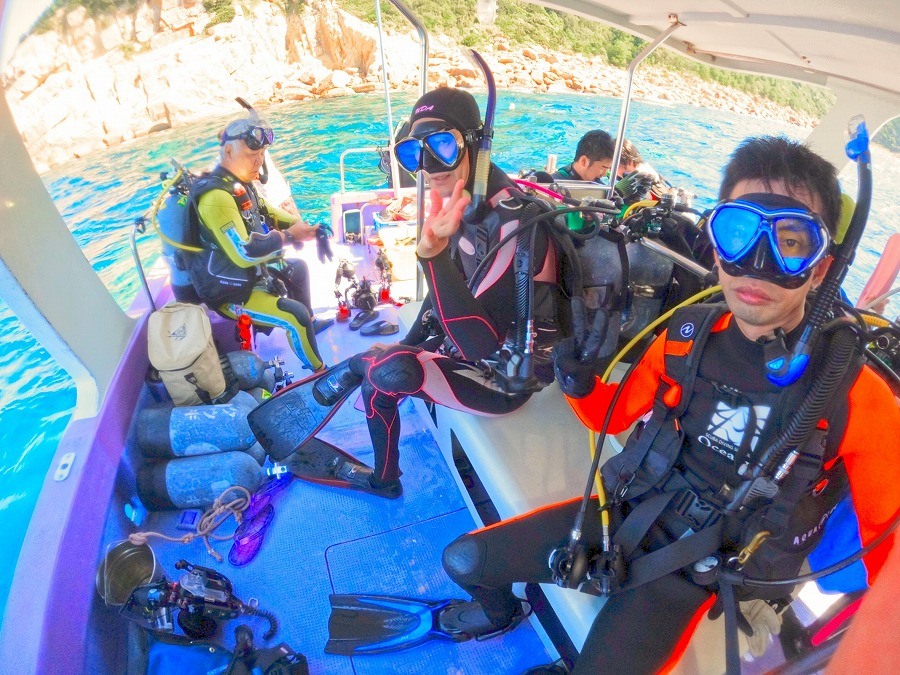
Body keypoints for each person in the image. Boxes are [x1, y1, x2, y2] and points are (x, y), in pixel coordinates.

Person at [439, 136, 900, 674]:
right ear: (716, 240)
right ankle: (500, 615)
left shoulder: (855, 395)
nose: (755, 265)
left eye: (791, 242)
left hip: (701, 567)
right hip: (625, 508)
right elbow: (609, 416)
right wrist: (578, 380)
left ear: (822, 267)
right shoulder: (686, 336)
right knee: (465, 561)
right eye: (736, 232)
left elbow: (886, 555)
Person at [312, 87, 570, 498]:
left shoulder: (514, 224)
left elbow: (476, 343)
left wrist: (430, 256)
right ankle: (357, 368)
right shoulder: (464, 201)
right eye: (414, 153)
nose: (429, 167)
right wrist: (408, 341)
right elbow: (442, 297)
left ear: (475, 144)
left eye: (443, 145)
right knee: (389, 355)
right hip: (473, 347)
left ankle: (384, 480)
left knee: (386, 375)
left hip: (507, 379)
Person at [186, 112, 334, 372]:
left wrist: (307, 228)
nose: (258, 162)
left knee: (298, 268)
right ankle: (319, 372)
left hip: (248, 276)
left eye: (262, 155)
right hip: (230, 291)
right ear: (229, 152)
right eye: (252, 156)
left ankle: (311, 323)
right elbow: (243, 254)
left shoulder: (240, 185)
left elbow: (269, 212)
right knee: (294, 316)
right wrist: (289, 237)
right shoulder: (217, 197)